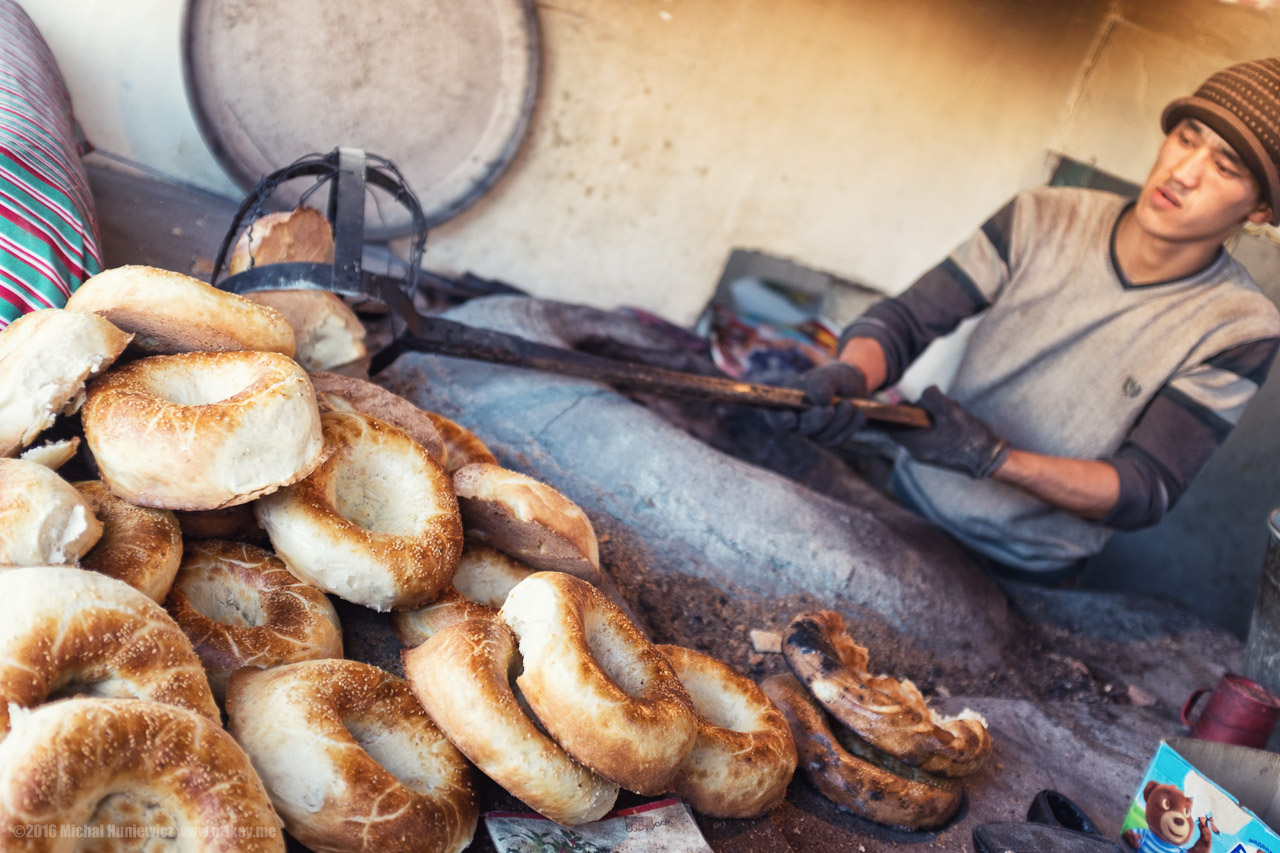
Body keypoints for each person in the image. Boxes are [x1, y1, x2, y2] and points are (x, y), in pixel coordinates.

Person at [778, 58, 1280, 584]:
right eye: (1185, 138)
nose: (1183, 173)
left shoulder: (1239, 326)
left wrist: (992, 458)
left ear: (1261, 209)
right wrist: (854, 375)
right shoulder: (1040, 216)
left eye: (1225, 167)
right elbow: (906, 320)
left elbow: (1143, 490)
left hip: (1028, 571)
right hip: (905, 503)